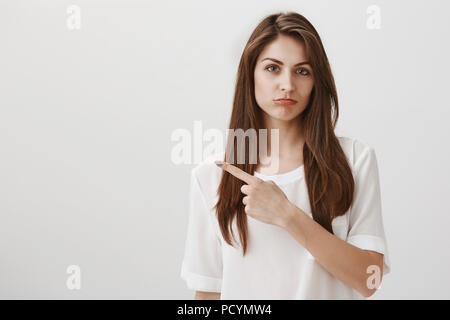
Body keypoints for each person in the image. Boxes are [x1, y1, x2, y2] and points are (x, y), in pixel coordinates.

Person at [180, 11, 391, 300]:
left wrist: (288, 215)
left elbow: (369, 280)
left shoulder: (355, 159)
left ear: (317, 81)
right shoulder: (211, 175)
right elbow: (208, 294)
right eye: (272, 68)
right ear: (250, 74)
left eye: (302, 71)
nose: (288, 85)